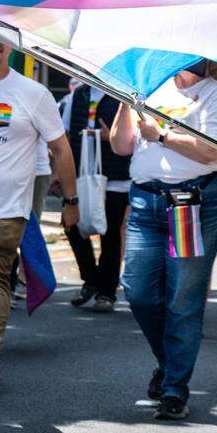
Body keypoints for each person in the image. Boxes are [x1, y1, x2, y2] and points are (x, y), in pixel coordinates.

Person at [0, 29, 79, 393]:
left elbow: (61, 149)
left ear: (12, 46)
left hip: (9, 207)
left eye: (1, 37)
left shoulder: (33, 94)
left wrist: (71, 201)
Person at [110, 58, 217, 421]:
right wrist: (124, 97)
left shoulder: (216, 96)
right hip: (145, 201)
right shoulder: (149, 88)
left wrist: (162, 135)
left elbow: (213, 151)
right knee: (138, 290)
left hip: (191, 204)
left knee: (182, 298)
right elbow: (121, 146)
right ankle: (170, 364)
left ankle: (174, 389)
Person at [65, 85, 130, 312]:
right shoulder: (79, 94)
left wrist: (110, 137)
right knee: (71, 226)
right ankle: (91, 279)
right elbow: (65, 132)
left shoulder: (122, 94)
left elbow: (133, 139)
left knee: (110, 234)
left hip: (115, 177)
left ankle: (107, 292)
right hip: (81, 175)